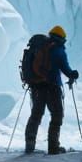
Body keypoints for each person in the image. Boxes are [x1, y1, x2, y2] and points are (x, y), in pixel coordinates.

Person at [24, 24, 79, 155]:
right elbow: (65, 69)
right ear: (62, 38)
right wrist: (73, 74)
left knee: (36, 115)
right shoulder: (58, 50)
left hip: (37, 87)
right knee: (57, 116)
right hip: (52, 88)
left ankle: (29, 145)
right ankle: (53, 147)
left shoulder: (40, 47)